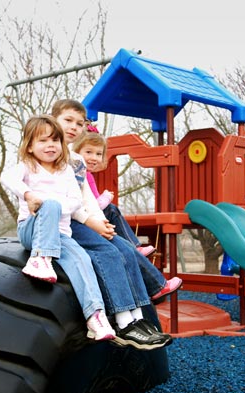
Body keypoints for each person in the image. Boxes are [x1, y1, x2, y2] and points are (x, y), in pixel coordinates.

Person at [51, 100, 182, 349]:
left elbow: (86, 196)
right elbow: (61, 198)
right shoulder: (51, 152)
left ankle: (139, 319)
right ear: (54, 118)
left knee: (125, 248)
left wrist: (101, 222)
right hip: (62, 222)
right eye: (68, 120)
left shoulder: (75, 159)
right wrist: (91, 222)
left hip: (82, 217)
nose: (74, 127)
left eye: (79, 123)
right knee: (108, 252)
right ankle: (123, 322)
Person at [4, 114, 115, 341]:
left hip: (61, 234)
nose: (50, 145)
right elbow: (7, 177)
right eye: (42, 141)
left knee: (82, 261)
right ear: (30, 146)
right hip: (31, 231)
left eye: (54, 140)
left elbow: (75, 201)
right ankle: (40, 259)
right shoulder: (28, 166)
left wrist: (50, 204)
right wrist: (29, 194)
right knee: (51, 205)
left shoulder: (66, 171)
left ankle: (96, 316)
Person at [73, 124, 156, 257]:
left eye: (98, 154)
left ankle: (129, 245)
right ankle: (134, 246)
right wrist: (105, 198)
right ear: (76, 153)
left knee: (111, 213)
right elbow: (95, 206)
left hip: (88, 215)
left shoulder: (88, 174)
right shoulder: (83, 175)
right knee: (111, 209)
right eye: (88, 152)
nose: (94, 157)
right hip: (82, 217)